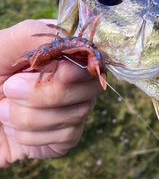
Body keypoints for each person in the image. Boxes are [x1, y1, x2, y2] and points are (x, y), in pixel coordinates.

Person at [0, 19, 104, 168]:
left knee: (69, 72)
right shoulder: (52, 49)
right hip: (66, 51)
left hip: (74, 51)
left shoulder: (78, 50)